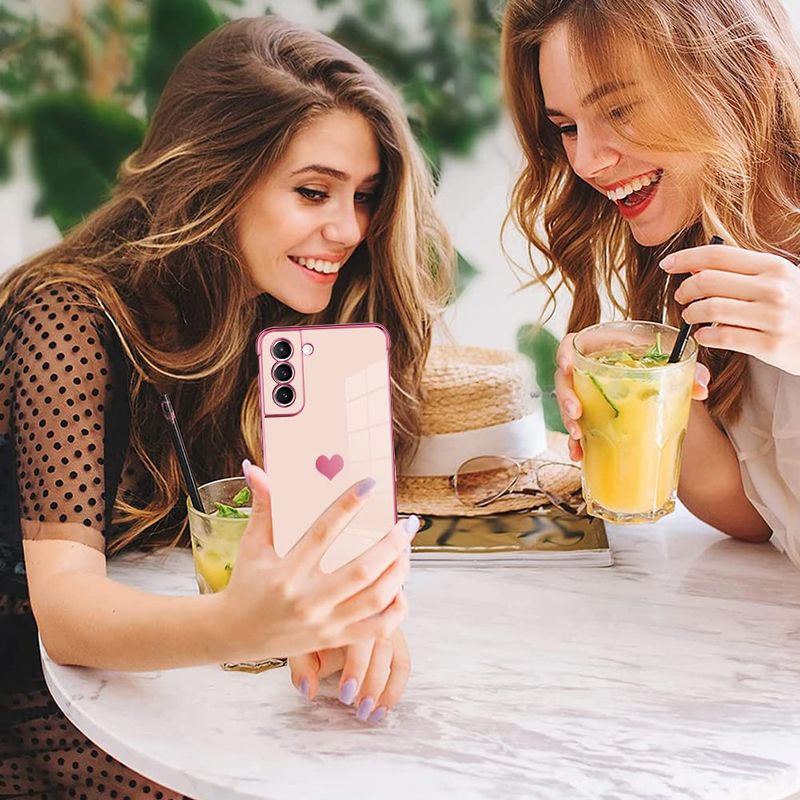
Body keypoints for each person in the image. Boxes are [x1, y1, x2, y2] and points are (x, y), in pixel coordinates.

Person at [0, 14, 453, 797]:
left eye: (365, 196)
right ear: (218, 176)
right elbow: (66, 616)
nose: (348, 229)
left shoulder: (283, 322)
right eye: (313, 192)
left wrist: (346, 616)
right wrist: (243, 627)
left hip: (161, 684)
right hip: (28, 694)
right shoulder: (66, 316)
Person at [500, 0, 800, 566]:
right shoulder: (703, 254)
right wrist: (657, 387)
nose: (586, 162)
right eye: (567, 128)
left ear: (749, 78)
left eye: (619, 110)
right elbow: (756, 514)